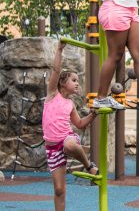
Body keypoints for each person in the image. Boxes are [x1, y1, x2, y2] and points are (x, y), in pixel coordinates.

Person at [43, 40, 99, 211]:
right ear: (61, 82)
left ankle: (89, 166)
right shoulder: (52, 94)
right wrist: (59, 49)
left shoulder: (70, 104)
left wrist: (93, 114)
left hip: (67, 139)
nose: (77, 83)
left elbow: (80, 124)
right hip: (52, 149)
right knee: (59, 190)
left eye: (78, 80)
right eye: (74, 80)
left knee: (69, 143)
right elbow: (56, 70)